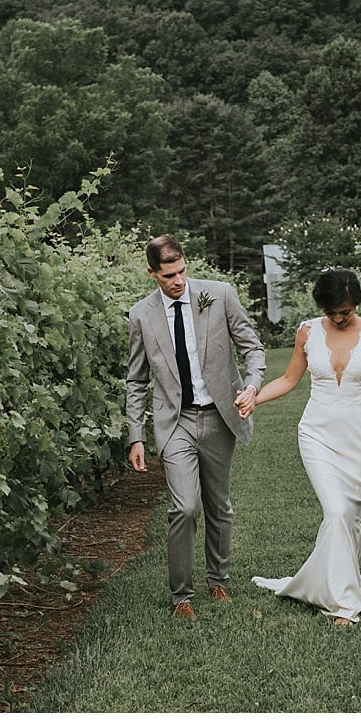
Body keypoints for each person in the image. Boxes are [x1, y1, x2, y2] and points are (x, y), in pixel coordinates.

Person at [126, 234, 266, 619]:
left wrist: (252, 387)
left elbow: (252, 348)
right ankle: (181, 597)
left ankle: (218, 580)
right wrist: (135, 435)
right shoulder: (141, 315)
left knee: (218, 504)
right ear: (152, 272)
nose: (178, 281)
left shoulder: (219, 295)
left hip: (220, 416)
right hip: (175, 421)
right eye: (168, 275)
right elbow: (136, 380)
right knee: (184, 507)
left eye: (182, 271)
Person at [244, 268, 361, 625]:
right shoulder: (308, 332)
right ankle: (346, 604)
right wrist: (254, 397)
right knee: (337, 512)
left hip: (358, 437)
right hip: (317, 434)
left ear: (357, 303)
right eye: (333, 313)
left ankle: (338, 578)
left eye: (347, 311)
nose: (340, 318)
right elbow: (289, 379)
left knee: (350, 518)